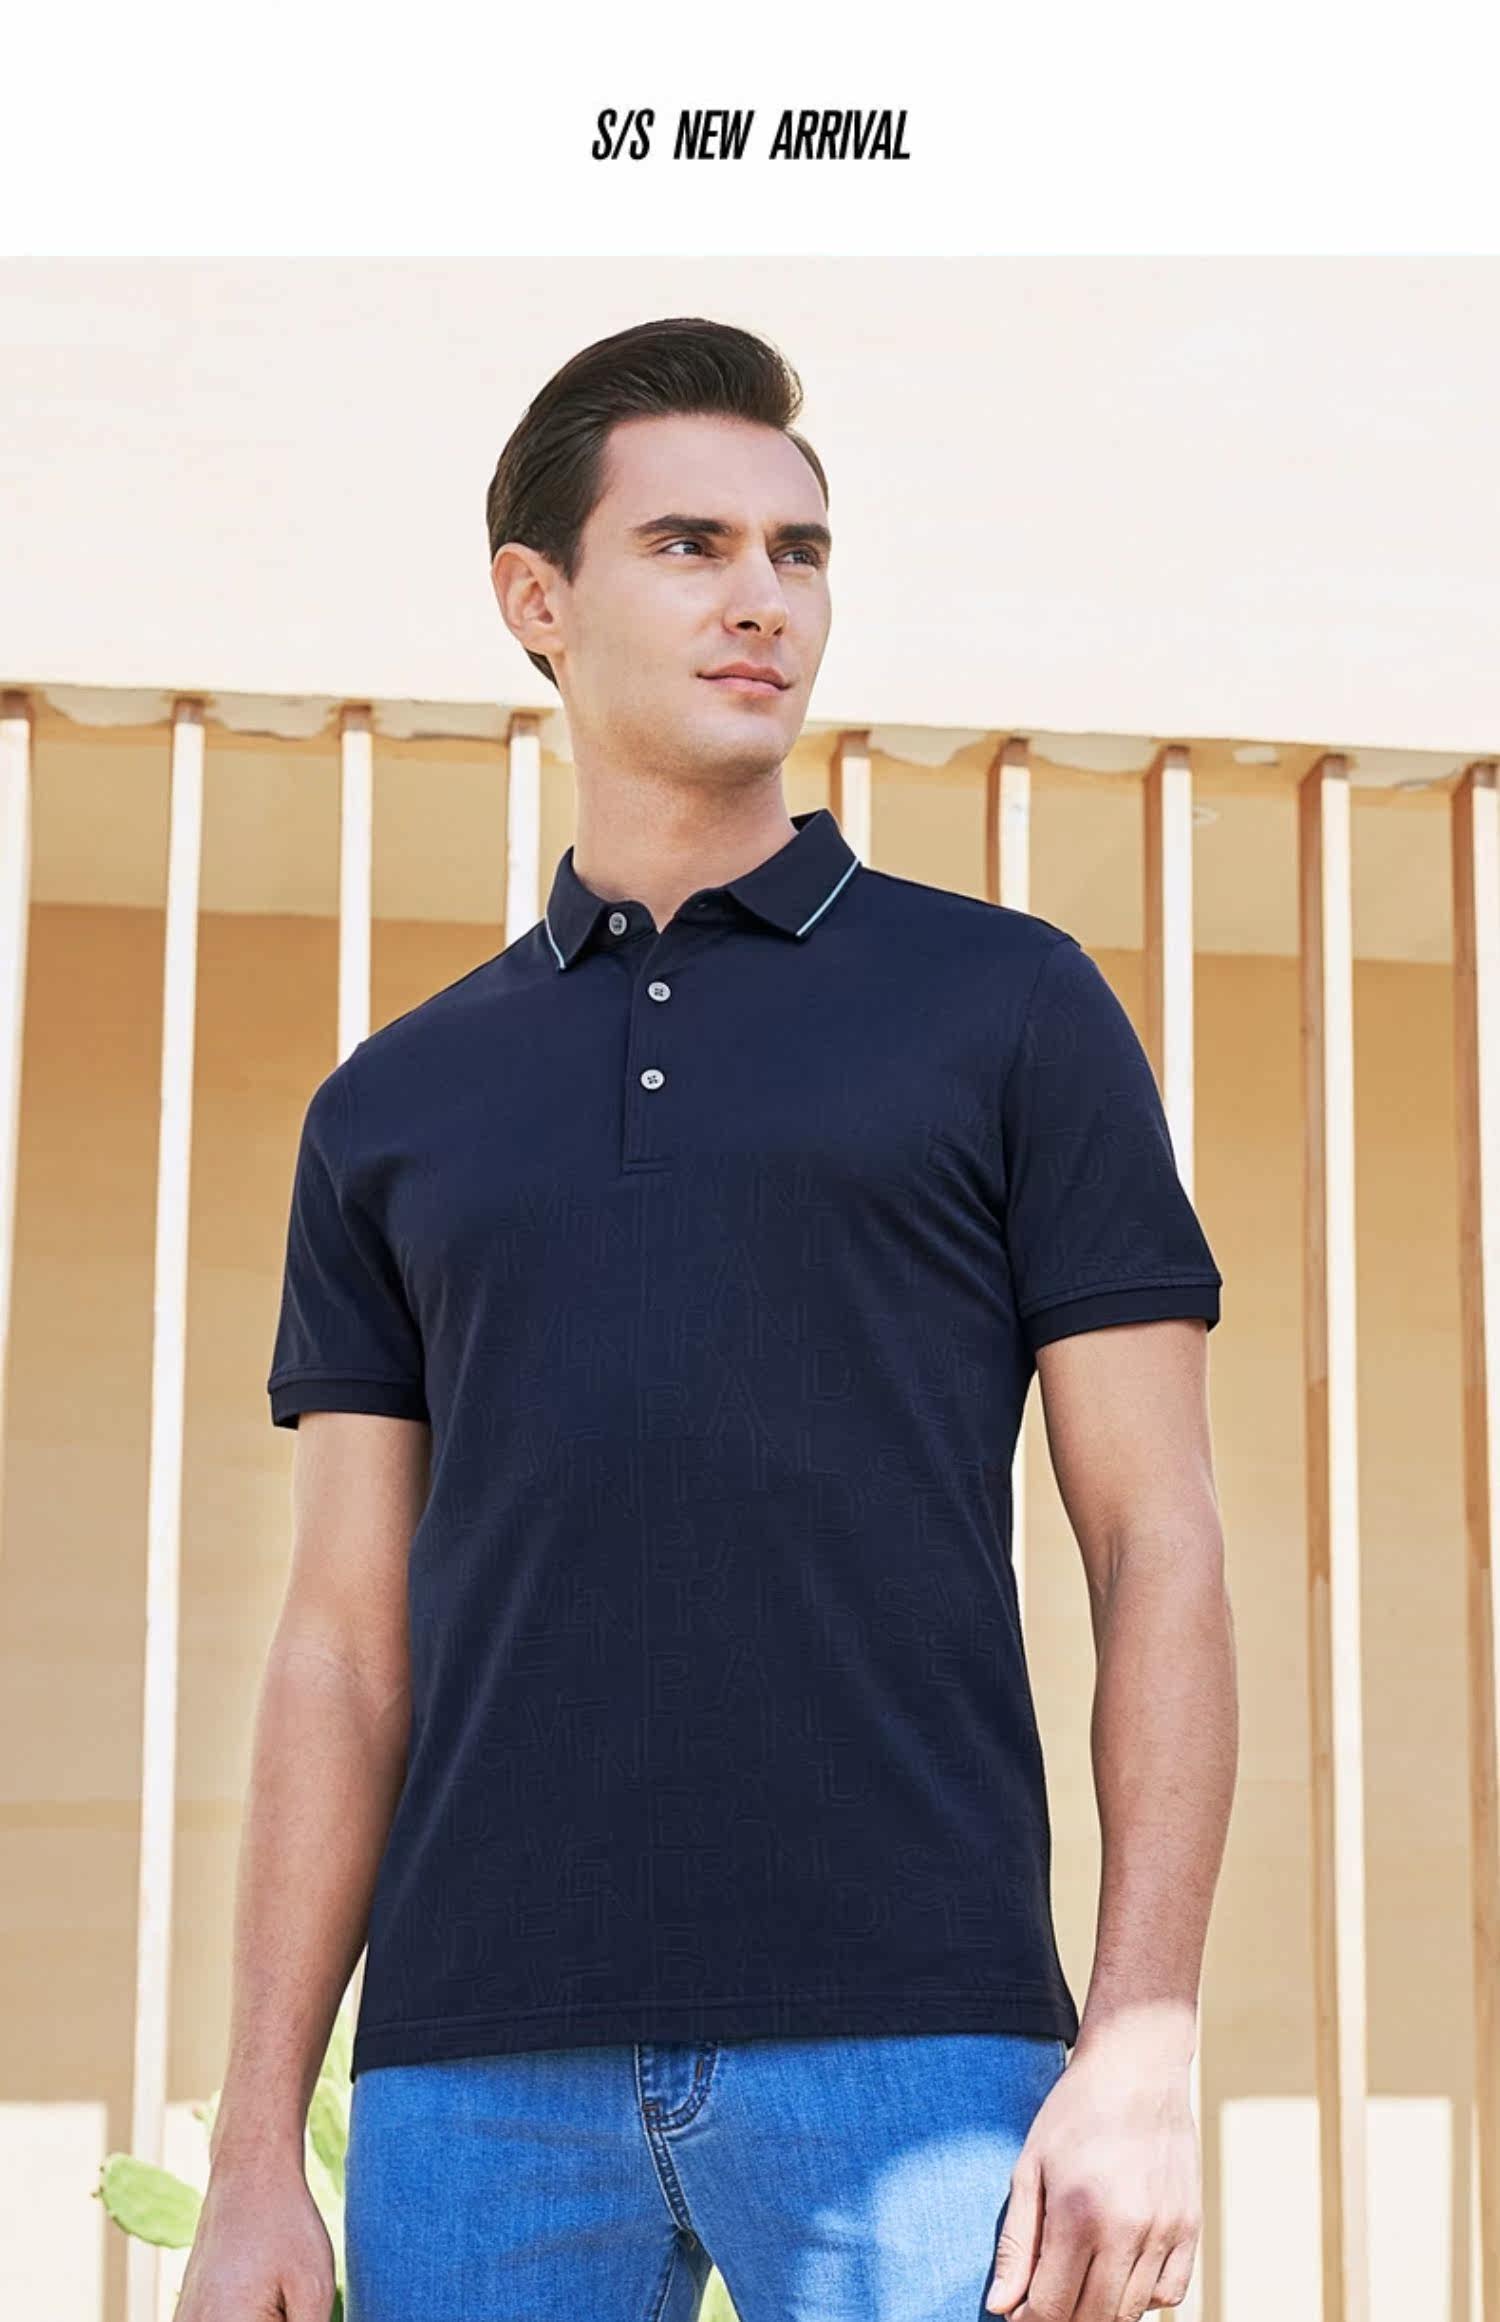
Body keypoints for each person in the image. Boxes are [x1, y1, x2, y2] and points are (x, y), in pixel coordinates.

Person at [181, 316, 1237, 2322]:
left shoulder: (1010, 1009)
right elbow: (339, 1643)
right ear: (536, 599)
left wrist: (1143, 2036)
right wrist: (253, 2152)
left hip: (918, 2049)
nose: (764, 598)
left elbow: (1158, 1540)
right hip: (471, 2080)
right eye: (689, 544)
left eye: (798, 550)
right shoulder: (392, 1104)